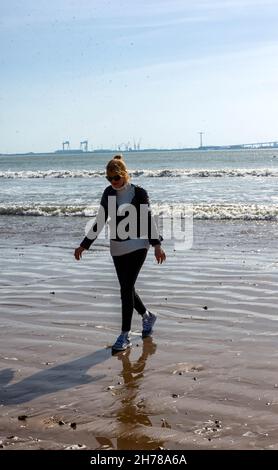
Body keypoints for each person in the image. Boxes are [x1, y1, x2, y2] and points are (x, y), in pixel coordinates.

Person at [74, 155, 166, 352]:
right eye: (109, 178)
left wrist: (157, 245)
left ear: (124, 174)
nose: (113, 182)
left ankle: (124, 335)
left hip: (138, 244)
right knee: (127, 287)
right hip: (117, 246)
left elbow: (147, 219)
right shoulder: (108, 193)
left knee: (125, 289)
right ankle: (148, 316)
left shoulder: (139, 193)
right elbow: (99, 221)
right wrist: (84, 245)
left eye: (116, 178)